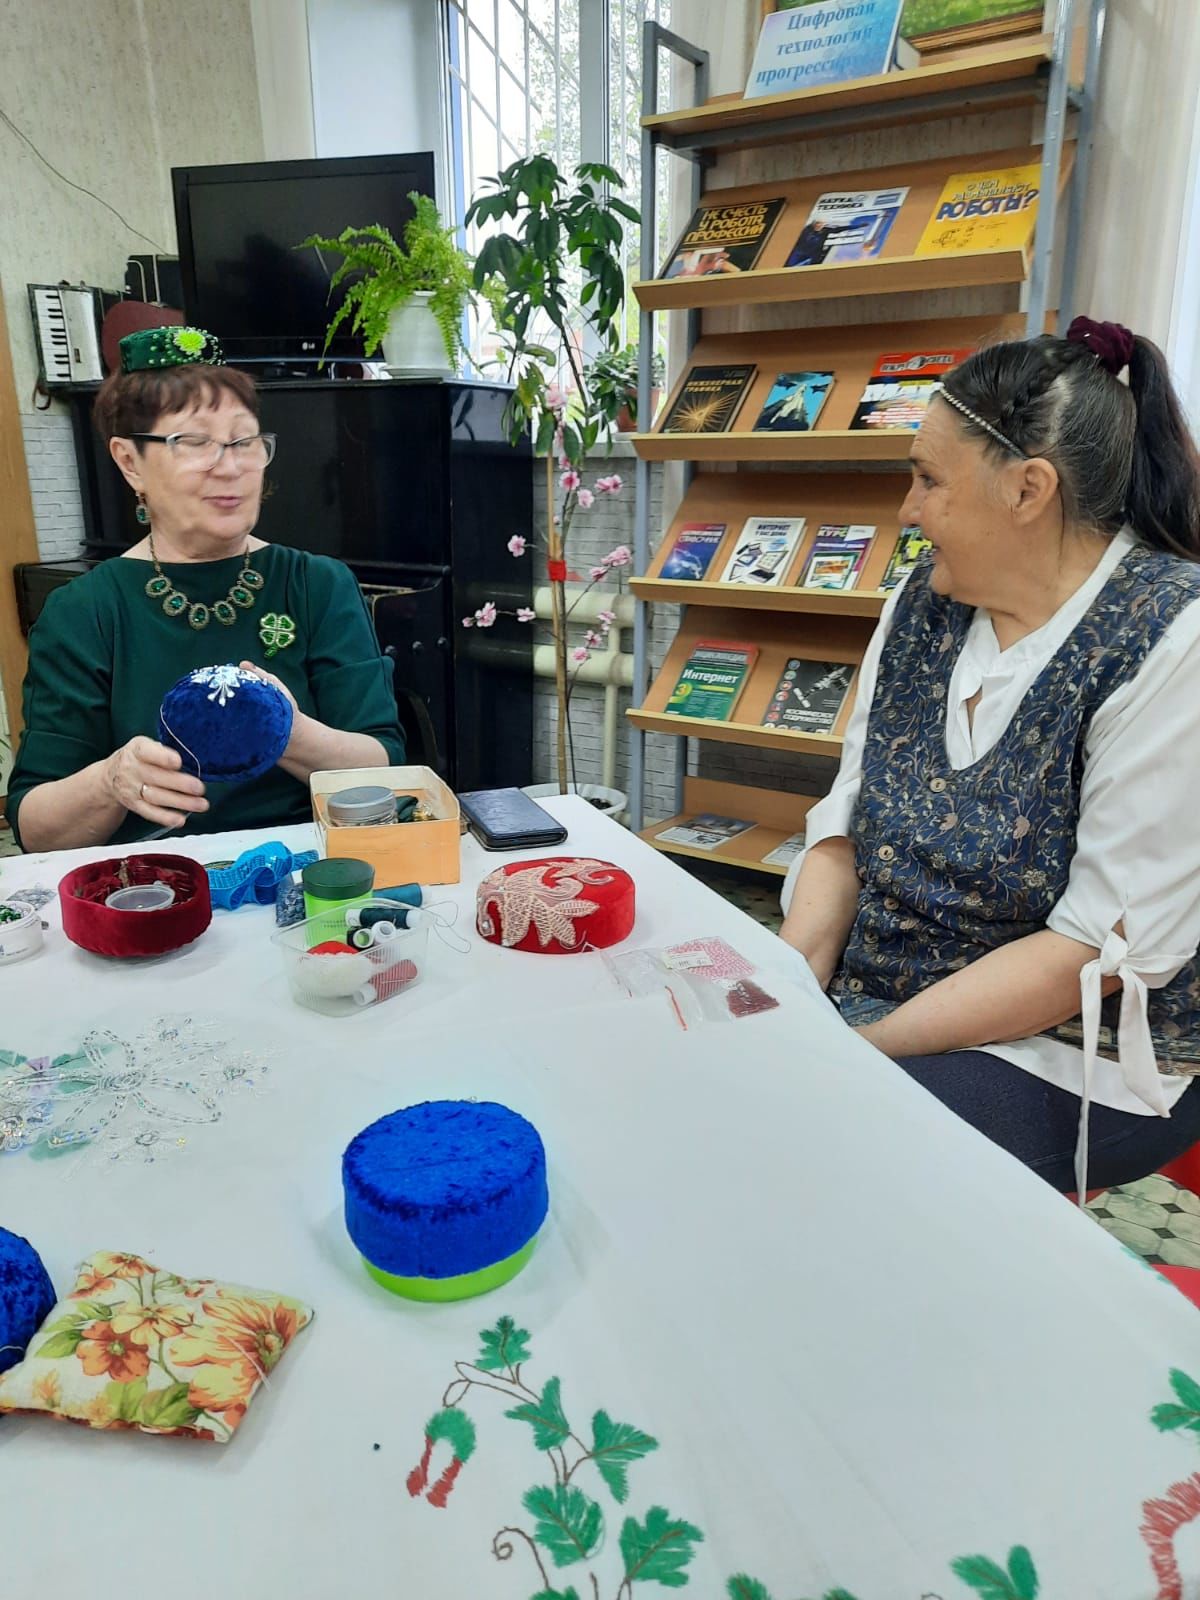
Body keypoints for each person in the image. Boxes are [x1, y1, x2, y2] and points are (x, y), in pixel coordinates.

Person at [780, 316, 1200, 1195]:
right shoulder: (923, 604)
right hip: (888, 996)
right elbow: (848, 821)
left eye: (929, 480)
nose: (907, 510)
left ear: (1028, 489)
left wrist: (858, 1049)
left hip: (1071, 1050)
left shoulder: (1170, 635)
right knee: (734, 1076)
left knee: (827, 1154)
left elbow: (1091, 948)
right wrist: (790, 983)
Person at [7, 326, 405, 851]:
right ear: (130, 461)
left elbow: (390, 768)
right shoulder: (84, 612)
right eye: (195, 442)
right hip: (150, 889)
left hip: (310, 873)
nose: (233, 466)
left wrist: (289, 732)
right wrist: (110, 782)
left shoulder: (316, 584)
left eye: (245, 441)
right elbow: (35, 828)